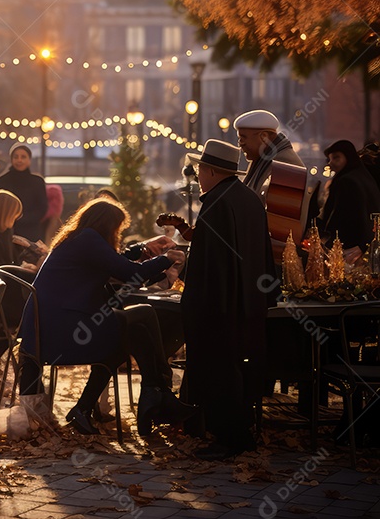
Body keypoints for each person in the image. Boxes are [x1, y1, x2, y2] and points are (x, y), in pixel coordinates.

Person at [19, 198, 193, 436]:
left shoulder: (79, 238)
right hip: (63, 331)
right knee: (144, 313)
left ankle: (85, 408)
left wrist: (145, 251)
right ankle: (159, 389)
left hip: (54, 327)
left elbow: (118, 263)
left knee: (129, 335)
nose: (117, 234)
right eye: (117, 229)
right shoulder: (88, 239)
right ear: (108, 225)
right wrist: (167, 259)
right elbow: (129, 273)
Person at [181, 139, 276, 460]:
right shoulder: (248, 198)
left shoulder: (216, 202)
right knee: (239, 370)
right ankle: (240, 431)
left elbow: (210, 262)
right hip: (249, 300)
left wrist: (197, 303)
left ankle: (229, 437)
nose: (197, 176)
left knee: (218, 370)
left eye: (199, 170)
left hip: (220, 304)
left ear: (210, 171)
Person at [318, 139, 380, 260]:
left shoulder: (347, 181)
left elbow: (349, 215)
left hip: (349, 247)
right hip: (364, 246)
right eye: (330, 159)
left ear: (348, 157)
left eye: (336, 158)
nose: (331, 163)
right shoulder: (361, 176)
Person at [233, 109, 304, 197]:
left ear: (264, 137)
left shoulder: (282, 164)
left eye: (243, 138)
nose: (240, 144)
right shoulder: (264, 159)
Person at [0, 143, 48, 242]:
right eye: (16, 157)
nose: (19, 160)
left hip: (31, 232)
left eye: (23, 157)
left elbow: (42, 208)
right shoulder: (0, 182)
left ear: (29, 160)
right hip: (7, 232)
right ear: (11, 159)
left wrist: (25, 219)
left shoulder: (37, 182)